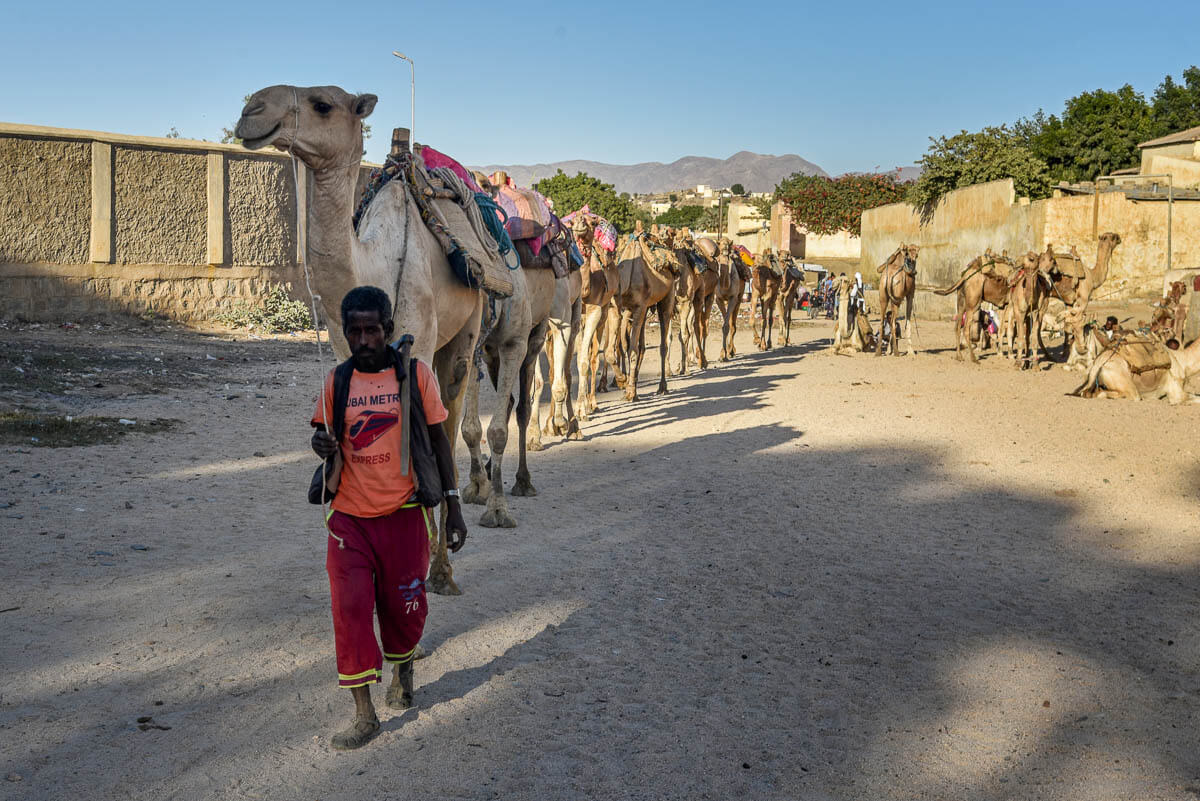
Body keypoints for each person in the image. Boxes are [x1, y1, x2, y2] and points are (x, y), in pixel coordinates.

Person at [310, 286, 468, 750]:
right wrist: (320, 446)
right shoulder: (337, 382)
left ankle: (404, 665)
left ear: (387, 330)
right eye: (354, 331)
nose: (363, 340)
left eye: (372, 330)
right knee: (351, 610)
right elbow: (323, 439)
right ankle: (364, 714)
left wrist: (454, 505)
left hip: (405, 515)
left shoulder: (417, 377)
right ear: (345, 333)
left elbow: (440, 443)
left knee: (403, 610)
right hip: (349, 521)